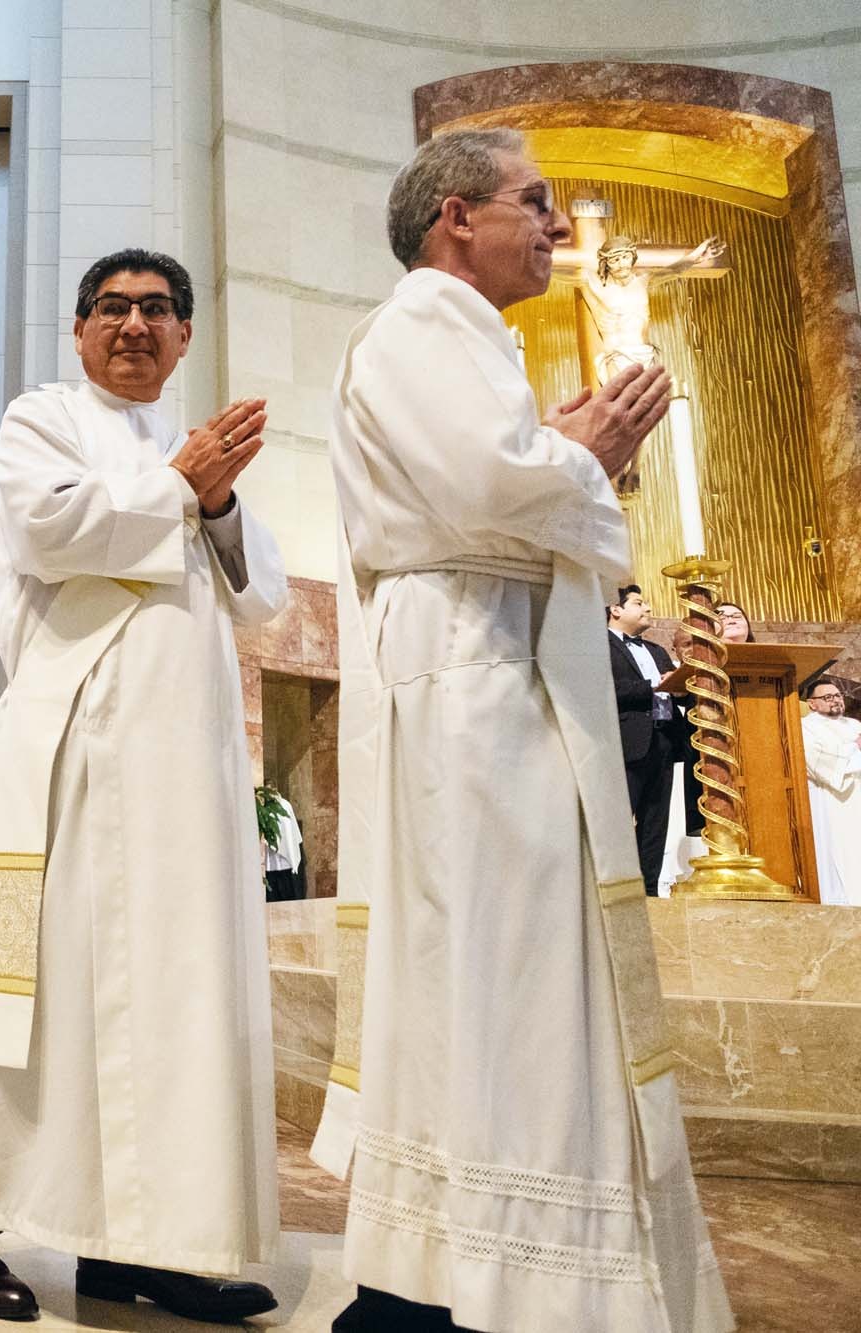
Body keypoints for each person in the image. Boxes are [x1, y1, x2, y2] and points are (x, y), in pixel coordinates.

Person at [313, 126, 730, 1331]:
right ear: (455, 214)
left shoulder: (462, 333)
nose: (553, 226)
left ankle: (459, 1273)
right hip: (473, 677)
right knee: (501, 971)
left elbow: (497, 482)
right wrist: (580, 453)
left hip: (491, 659)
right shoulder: (421, 322)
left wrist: (565, 456)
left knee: (503, 976)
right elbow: (486, 487)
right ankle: (466, 1282)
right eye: (532, 201)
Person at [0, 248, 288, 1324]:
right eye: (112, 308)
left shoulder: (188, 447)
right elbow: (50, 532)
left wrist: (214, 503)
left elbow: (263, 597)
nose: (133, 325)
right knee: (23, 979)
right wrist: (180, 486)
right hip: (72, 749)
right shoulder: (44, 418)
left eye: (156, 310)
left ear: (185, 336)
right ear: (79, 331)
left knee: (169, 992)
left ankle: (135, 1240)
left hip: (181, 771)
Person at [609, 585, 680, 896]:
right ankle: (614, 888)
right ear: (616, 609)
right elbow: (606, 687)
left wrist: (681, 686)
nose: (647, 608)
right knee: (619, 817)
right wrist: (652, 685)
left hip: (664, 738)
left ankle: (649, 889)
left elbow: (674, 688)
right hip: (626, 741)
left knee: (656, 821)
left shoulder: (657, 650)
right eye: (638, 603)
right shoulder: (600, 645)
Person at [802, 677, 860, 907]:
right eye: (827, 697)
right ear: (812, 703)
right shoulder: (806, 727)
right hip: (832, 799)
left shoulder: (855, 725)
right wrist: (854, 747)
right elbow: (819, 762)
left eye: (837, 695)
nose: (835, 700)